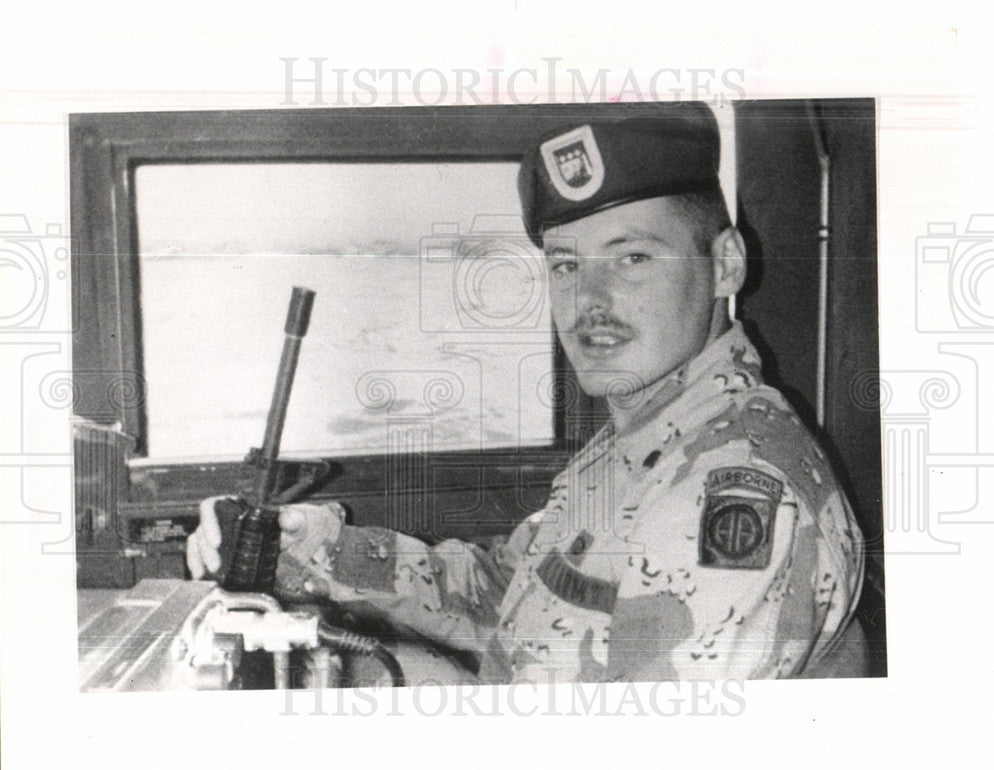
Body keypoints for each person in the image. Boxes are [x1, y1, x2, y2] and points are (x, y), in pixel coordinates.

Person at [187, 105, 868, 682]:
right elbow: (505, 587)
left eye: (631, 257)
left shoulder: (731, 486)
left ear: (726, 264)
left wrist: (376, 681)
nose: (590, 300)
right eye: (567, 264)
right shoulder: (645, 437)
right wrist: (303, 547)